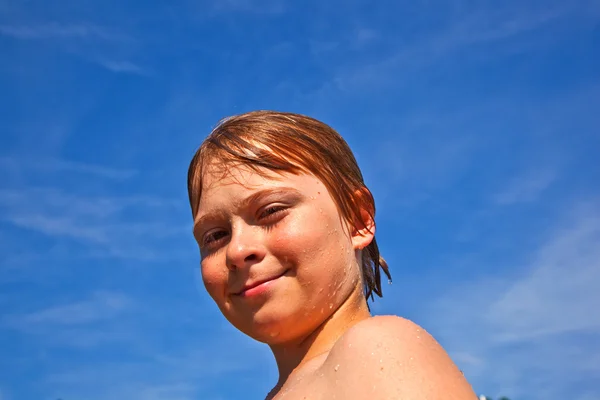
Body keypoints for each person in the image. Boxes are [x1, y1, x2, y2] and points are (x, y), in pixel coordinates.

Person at [187, 111, 476, 399]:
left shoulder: (378, 350)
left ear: (357, 220)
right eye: (215, 236)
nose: (237, 250)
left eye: (272, 211)